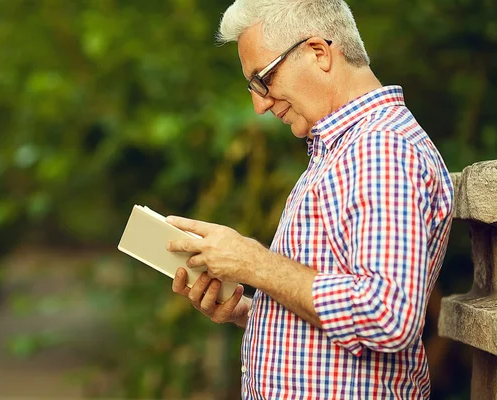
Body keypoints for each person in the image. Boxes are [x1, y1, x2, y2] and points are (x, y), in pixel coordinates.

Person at [166, 0, 454, 398]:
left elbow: (387, 316)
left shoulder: (381, 148)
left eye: (262, 79)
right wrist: (251, 311)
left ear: (318, 53)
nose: (260, 104)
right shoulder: (342, 151)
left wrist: (253, 263)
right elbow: (334, 328)